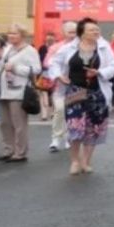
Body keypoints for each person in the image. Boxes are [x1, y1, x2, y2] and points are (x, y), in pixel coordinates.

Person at [51, 18, 114, 174]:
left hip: (97, 93)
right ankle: (75, 161)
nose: (96, 32)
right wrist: (59, 76)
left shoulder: (104, 47)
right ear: (82, 32)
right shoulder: (68, 48)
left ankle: (86, 162)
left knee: (93, 128)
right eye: (91, 30)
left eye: (96, 29)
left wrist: (99, 72)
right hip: (75, 91)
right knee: (75, 127)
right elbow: (54, 63)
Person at [0, 24, 42, 164]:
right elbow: (1, 66)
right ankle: (8, 150)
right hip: (3, 90)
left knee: (19, 124)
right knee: (5, 123)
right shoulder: (8, 48)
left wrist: (16, 68)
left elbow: (36, 70)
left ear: (22, 35)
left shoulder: (30, 50)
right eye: (9, 33)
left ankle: (20, 153)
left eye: (14, 33)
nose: (11, 36)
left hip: (18, 91)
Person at [44, 21, 77, 152]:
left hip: (76, 86)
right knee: (59, 110)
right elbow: (47, 62)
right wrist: (59, 74)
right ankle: (56, 138)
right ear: (64, 33)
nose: (73, 35)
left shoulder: (82, 46)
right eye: (70, 32)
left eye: (75, 32)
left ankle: (69, 137)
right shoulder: (56, 47)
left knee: (73, 112)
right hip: (59, 85)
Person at [36, 31, 55, 121]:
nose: (50, 39)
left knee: (53, 94)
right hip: (44, 74)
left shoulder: (57, 47)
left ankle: (52, 112)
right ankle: (44, 114)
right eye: (48, 37)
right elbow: (39, 60)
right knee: (43, 94)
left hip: (54, 74)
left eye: (51, 37)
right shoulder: (42, 48)